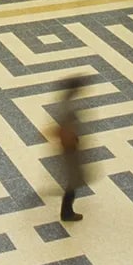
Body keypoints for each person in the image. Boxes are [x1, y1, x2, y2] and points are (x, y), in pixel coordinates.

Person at [55, 76, 86, 222]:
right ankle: (67, 213)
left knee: (73, 180)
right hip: (70, 150)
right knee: (72, 182)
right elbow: (66, 129)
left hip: (69, 148)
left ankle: (67, 211)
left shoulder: (65, 102)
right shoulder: (69, 107)